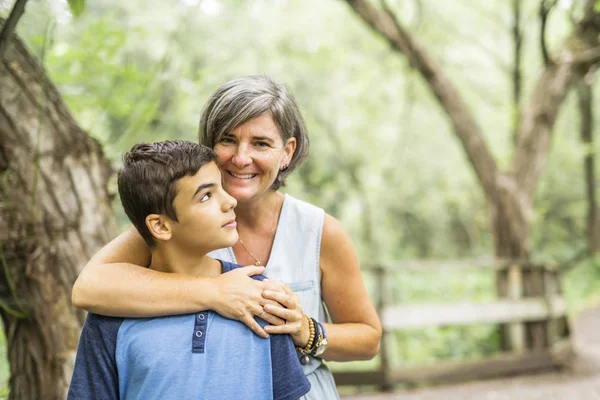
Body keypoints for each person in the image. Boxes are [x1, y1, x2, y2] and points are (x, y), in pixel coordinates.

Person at [71, 75, 382, 399]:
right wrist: (216, 291)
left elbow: (368, 339)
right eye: (228, 140)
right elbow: (89, 288)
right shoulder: (171, 228)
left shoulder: (319, 230)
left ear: (286, 152)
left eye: (260, 143)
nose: (241, 157)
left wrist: (306, 330)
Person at [67, 141, 311, 400]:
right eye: (206, 196)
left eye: (221, 188)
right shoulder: (112, 315)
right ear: (160, 226)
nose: (230, 201)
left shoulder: (258, 292)